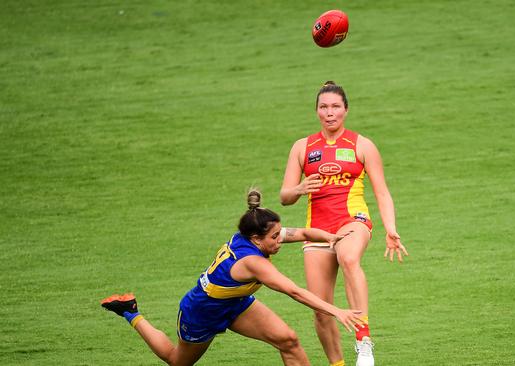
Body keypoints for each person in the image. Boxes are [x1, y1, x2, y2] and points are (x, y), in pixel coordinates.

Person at [101, 189, 365, 366]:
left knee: (288, 340)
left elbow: (304, 234)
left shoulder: (258, 234)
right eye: (275, 238)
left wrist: (330, 236)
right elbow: (294, 291)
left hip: (236, 303)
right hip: (201, 311)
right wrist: (336, 311)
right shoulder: (253, 262)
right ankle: (131, 312)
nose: (280, 240)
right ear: (256, 239)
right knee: (176, 360)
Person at [280, 81, 409, 366]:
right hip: (316, 231)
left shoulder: (362, 145)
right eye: (324, 107)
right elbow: (284, 196)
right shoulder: (302, 147)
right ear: (316, 111)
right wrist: (299, 189)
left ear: (346, 110)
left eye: (335, 106)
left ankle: (363, 342)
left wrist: (391, 229)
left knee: (348, 257)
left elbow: (382, 192)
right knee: (320, 309)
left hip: (353, 221)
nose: (330, 113)